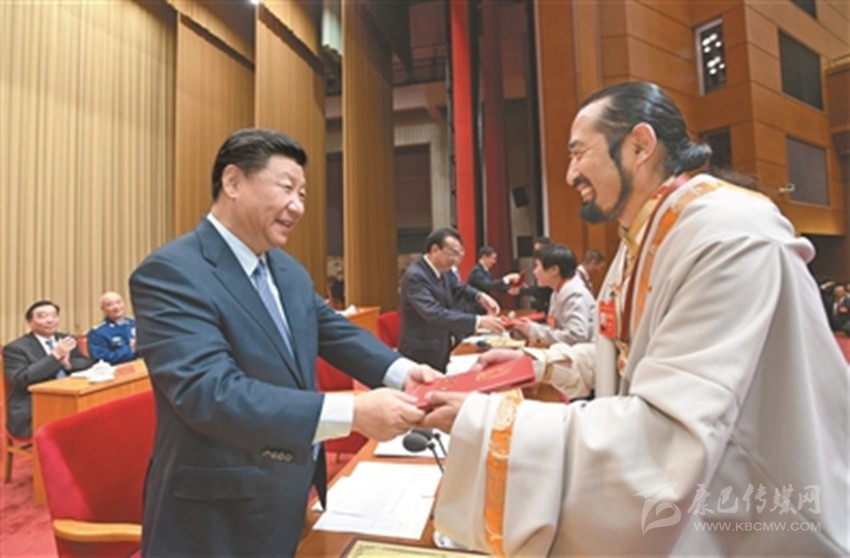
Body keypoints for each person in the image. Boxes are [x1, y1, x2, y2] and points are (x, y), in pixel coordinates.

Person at [421, 81, 849, 556]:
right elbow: (627, 354)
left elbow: (666, 441)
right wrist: (537, 366)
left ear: (640, 145)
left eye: (579, 153)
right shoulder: (643, 239)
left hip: (758, 518)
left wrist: (486, 423)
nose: (570, 174)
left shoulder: (727, 236)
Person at [129, 128, 439, 556]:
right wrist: (352, 412)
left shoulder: (287, 270)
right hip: (215, 516)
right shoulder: (172, 272)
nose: (298, 206)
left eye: (303, 194)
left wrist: (404, 373)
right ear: (233, 182)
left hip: (287, 496)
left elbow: (333, 330)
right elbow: (209, 393)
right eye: (287, 188)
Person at [398, 228, 505, 371]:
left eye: (459, 254)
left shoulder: (444, 270)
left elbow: (459, 288)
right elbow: (434, 313)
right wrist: (478, 321)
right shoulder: (415, 276)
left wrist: (479, 296)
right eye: (453, 253)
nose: (456, 260)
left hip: (442, 345)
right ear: (435, 250)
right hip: (422, 352)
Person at [3, 300, 93, 438]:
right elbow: (20, 379)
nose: (50, 320)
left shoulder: (66, 339)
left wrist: (67, 365)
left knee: (97, 411)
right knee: (78, 422)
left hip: (69, 397)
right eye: (42, 316)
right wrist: (54, 357)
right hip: (33, 405)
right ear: (30, 322)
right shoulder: (16, 348)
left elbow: (86, 363)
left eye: (54, 315)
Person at [511, 243, 596, 346]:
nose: (534, 272)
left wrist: (533, 330)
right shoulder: (556, 292)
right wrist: (525, 329)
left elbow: (576, 337)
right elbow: (555, 329)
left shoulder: (575, 294)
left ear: (554, 270)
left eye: (537, 266)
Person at [86, 291, 137, 364]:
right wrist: (131, 349)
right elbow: (101, 359)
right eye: (110, 305)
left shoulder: (136, 323)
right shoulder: (97, 332)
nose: (116, 307)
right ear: (103, 309)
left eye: (119, 302)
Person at [466, 246, 521, 313]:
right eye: (493, 259)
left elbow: (494, 283)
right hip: (474, 308)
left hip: (482, 306)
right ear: (484, 257)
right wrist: (508, 278)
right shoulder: (477, 271)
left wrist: (508, 289)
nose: (494, 262)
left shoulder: (486, 271)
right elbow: (488, 285)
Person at [519, 236, 553, 312]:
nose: (537, 254)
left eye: (539, 251)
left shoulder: (550, 263)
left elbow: (544, 289)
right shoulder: (539, 262)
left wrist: (523, 290)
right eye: (535, 252)